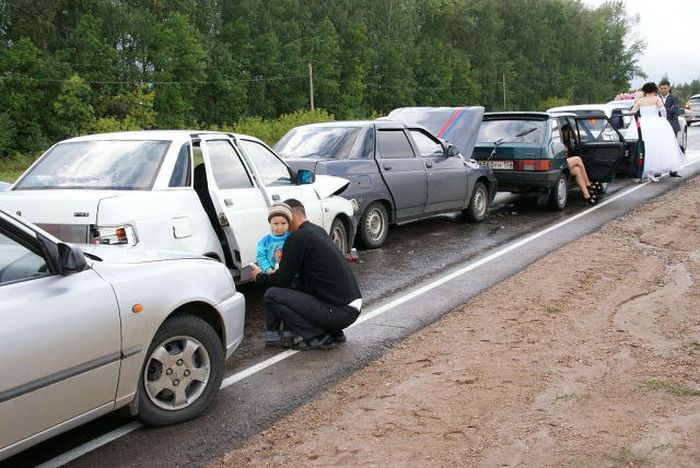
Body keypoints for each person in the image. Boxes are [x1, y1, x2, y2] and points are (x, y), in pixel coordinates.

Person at [251, 199, 362, 350]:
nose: (281, 226)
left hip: (339, 312)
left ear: (291, 216)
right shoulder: (317, 230)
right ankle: (334, 333)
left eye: (283, 220)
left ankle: (317, 337)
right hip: (350, 307)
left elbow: (281, 280)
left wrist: (259, 276)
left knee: (272, 295)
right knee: (300, 288)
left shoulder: (297, 238)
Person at [630, 82, 683, 182]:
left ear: (645, 91)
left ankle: (641, 173)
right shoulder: (657, 99)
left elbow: (633, 112)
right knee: (656, 147)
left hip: (643, 123)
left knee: (642, 148)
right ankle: (651, 172)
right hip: (655, 123)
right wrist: (663, 120)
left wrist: (636, 121)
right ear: (654, 90)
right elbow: (663, 110)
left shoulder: (640, 101)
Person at [561, 124, 602, 204]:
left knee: (577, 170)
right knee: (578, 159)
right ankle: (588, 184)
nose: (569, 134)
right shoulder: (558, 140)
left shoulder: (568, 142)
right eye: (567, 132)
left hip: (563, 164)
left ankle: (586, 195)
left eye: (569, 132)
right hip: (559, 164)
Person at [658, 78, 684, 171]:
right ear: (659, 89)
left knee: (673, 146)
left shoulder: (674, 97)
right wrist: (667, 109)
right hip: (660, 126)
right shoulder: (657, 98)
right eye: (661, 88)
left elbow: (675, 110)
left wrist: (663, 110)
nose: (663, 90)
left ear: (669, 88)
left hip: (672, 124)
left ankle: (673, 170)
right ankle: (660, 169)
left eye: (665, 88)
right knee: (661, 147)